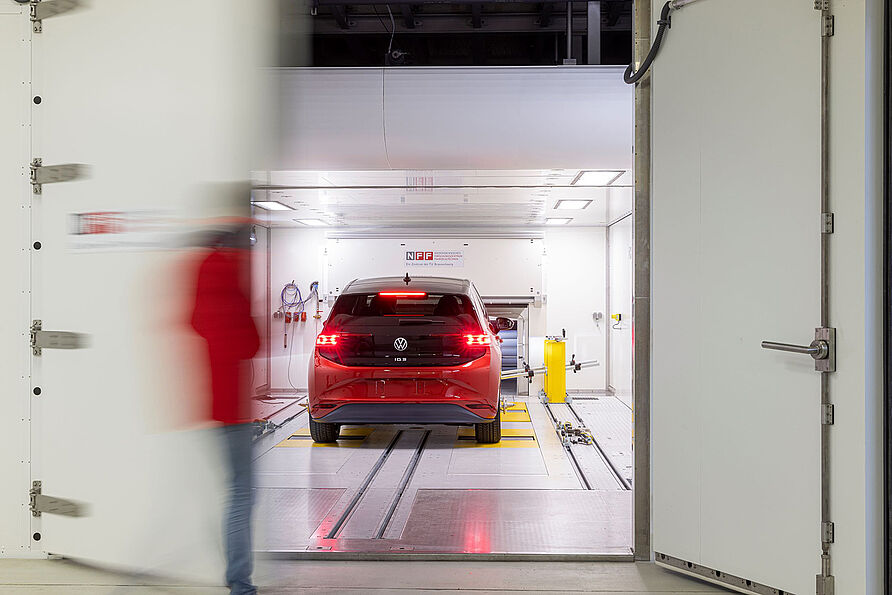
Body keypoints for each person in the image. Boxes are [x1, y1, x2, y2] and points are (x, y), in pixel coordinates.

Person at [190, 222, 260, 595]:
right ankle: (240, 584)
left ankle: (236, 578)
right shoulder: (227, 273)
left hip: (213, 401)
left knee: (237, 490)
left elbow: (195, 321)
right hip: (230, 404)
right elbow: (250, 341)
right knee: (242, 492)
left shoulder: (202, 268)